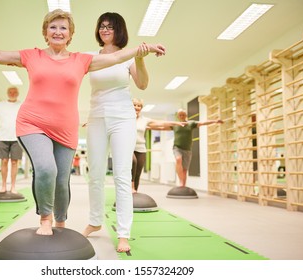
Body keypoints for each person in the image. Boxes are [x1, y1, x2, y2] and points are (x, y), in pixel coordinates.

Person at [0, 9, 165, 236]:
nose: (58, 31)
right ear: (45, 32)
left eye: (63, 28)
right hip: (32, 123)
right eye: (53, 27)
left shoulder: (81, 60)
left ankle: (61, 223)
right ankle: (45, 218)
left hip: (66, 129)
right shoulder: (31, 56)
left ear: (70, 34)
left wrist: (143, 49)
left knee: (62, 179)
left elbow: (115, 58)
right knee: (47, 169)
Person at [82, 12, 165, 253]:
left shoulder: (128, 57)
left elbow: (142, 85)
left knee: (121, 174)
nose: (105, 30)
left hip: (123, 118)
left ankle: (123, 233)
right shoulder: (90, 56)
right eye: (102, 26)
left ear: (119, 30)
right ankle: (95, 221)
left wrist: (140, 57)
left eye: (110, 26)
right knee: (95, 173)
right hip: (96, 117)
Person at [131, 98, 185, 193]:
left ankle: (134, 192)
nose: (137, 107)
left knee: (138, 172)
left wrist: (176, 123)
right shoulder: (125, 118)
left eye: (139, 105)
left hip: (141, 149)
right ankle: (129, 189)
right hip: (128, 148)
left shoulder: (144, 120)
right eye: (134, 105)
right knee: (133, 163)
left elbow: (161, 122)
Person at [163, 109, 223, 188]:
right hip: (177, 147)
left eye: (183, 114)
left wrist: (215, 121)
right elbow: (162, 128)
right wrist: (147, 127)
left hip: (187, 149)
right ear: (178, 116)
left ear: (186, 115)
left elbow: (202, 123)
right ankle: (181, 181)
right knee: (178, 159)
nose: (182, 116)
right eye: (180, 115)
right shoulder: (175, 125)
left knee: (184, 170)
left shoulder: (190, 123)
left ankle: (183, 186)